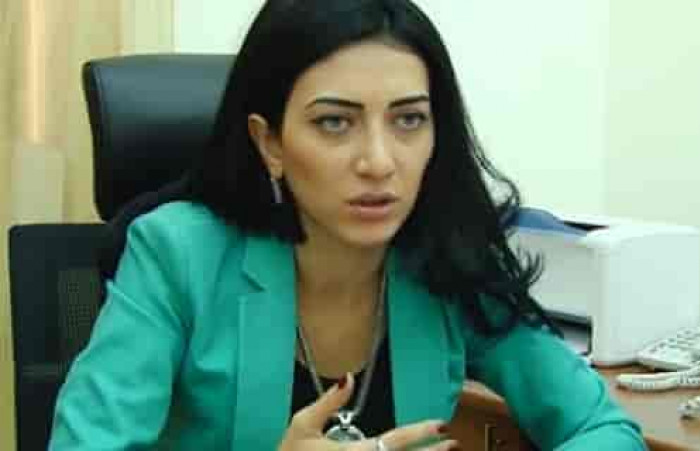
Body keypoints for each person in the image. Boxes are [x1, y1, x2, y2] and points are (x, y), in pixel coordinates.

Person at [49, 0, 646, 449]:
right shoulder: (176, 255)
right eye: (335, 122)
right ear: (270, 143)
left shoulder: (448, 256)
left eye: (408, 120)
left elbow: (602, 427)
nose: (380, 162)